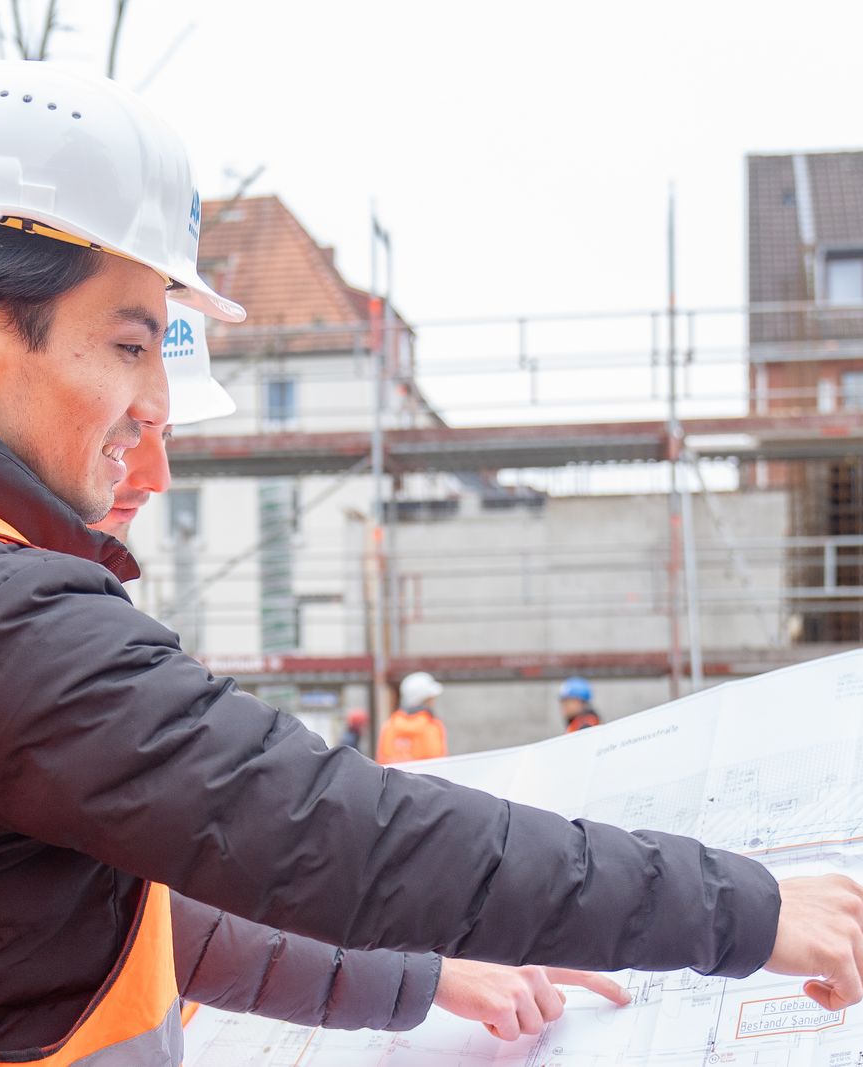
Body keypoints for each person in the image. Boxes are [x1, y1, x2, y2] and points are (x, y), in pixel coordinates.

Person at [0, 59, 863, 1066]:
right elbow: (328, 827)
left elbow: (106, 909)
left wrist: (421, 974)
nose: (151, 406)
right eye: (131, 345)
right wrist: (748, 908)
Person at [85, 310, 626, 1041]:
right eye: (130, 428)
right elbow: (340, 825)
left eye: (165, 434)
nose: (153, 475)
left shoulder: (69, 617)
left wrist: (427, 962)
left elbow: (159, 915)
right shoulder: (38, 637)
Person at [379, 671, 453, 763]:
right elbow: (439, 763)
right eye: (431, 699)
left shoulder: (390, 725)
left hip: (395, 776)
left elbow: (382, 763)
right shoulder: (432, 726)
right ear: (426, 700)